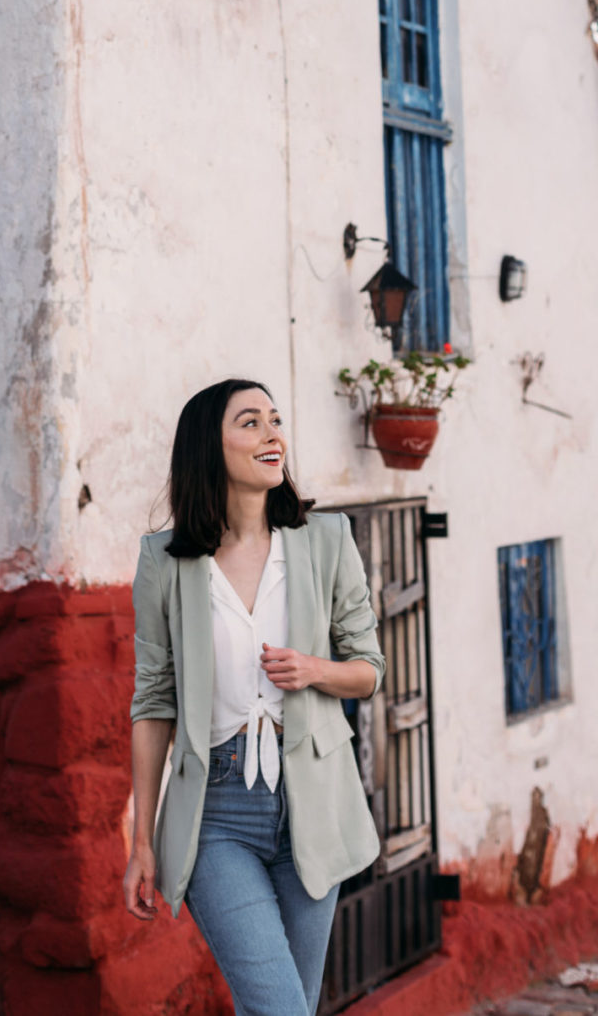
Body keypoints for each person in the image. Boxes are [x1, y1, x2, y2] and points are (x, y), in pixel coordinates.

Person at [123, 377, 385, 1016]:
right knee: (279, 1008)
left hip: (312, 807)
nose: (273, 434)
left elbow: (369, 670)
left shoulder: (326, 541)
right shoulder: (165, 561)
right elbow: (154, 701)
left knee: (284, 1006)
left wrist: (314, 670)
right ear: (208, 449)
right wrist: (141, 842)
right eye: (250, 422)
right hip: (216, 813)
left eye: (275, 420)